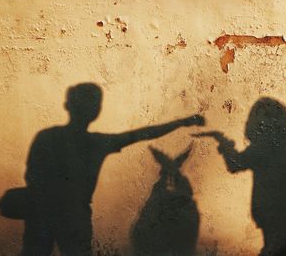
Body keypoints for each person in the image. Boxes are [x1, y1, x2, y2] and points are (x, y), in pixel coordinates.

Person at [23, 83, 205, 255]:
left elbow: (31, 176)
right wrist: (183, 122)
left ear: (68, 105)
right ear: (96, 111)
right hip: (75, 217)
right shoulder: (96, 144)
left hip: (41, 213)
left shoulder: (46, 138)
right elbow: (142, 134)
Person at [194, 97, 286, 256]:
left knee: (275, 250)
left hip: (276, 209)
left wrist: (225, 145)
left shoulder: (264, 147)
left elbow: (235, 164)